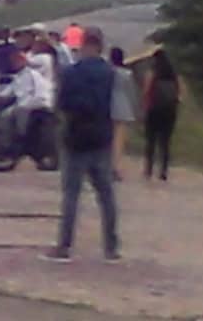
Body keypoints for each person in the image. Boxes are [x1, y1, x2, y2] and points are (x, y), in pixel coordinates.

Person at [44, 27, 119, 264]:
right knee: (106, 194)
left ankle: (64, 245)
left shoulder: (70, 73)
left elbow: (61, 104)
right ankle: (111, 247)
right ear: (101, 45)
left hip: (75, 136)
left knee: (71, 195)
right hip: (102, 136)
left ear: (85, 44)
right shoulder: (111, 73)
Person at [142, 49, 182, 181]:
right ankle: (163, 171)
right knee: (165, 141)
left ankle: (148, 169)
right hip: (170, 110)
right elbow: (181, 93)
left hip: (154, 109)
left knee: (151, 140)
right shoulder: (174, 74)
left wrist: (145, 105)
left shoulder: (152, 72)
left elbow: (146, 90)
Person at [109, 47, 140, 182]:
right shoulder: (127, 74)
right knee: (119, 140)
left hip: (108, 105)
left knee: (108, 139)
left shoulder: (108, 72)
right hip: (123, 106)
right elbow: (131, 92)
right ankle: (115, 167)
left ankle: (106, 165)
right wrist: (135, 108)